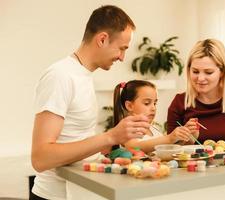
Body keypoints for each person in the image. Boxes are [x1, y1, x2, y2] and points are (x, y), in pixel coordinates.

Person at [31, 5, 150, 200]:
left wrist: (109, 154)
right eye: (122, 48)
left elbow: (74, 143)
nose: (122, 57)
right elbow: (41, 158)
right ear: (102, 39)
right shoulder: (60, 76)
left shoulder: (82, 76)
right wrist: (111, 136)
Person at [167, 39, 225, 144]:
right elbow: (171, 146)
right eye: (195, 71)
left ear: (222, 72)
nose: (200, 78)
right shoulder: (179, 102)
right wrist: (188, 138)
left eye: (208, 72)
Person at [113, 80, 198, 153]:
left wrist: (187, 138)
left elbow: (166, 149)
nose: (153, 108)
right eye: (147, 103)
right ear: (129, 106)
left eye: (155, 103)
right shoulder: (126, 129)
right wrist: (169, 138)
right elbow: (136, 147)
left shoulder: (154, 129)